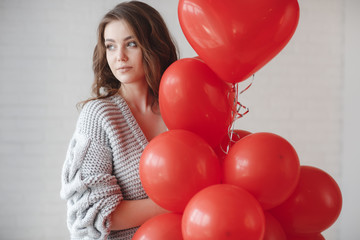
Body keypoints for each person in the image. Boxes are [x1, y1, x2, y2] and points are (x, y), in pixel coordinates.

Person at [60, 1, 178, 239]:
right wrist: (179, 205)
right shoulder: (100, 116)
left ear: (154, 46)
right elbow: (93, 213)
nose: (120, 57)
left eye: (131, 44)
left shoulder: (180, 110)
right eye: (111, 47)